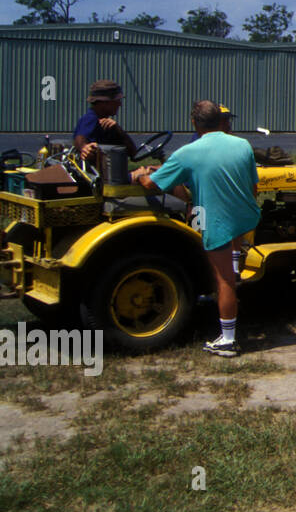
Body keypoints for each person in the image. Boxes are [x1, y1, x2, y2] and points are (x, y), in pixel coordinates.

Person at [139, 100, 261, 357]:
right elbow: (253, 188)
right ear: (221, 120)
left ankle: (228, 340)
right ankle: (235, 264)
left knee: (224, 279)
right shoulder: (243, 145)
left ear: (194, 123)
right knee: (227, 252)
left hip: (214, 220)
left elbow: (151, 185)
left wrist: (140, 174)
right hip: (245, 215)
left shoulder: (187, 153)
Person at [74, 79, 139, 160]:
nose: (120, 104)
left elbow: (133, 153)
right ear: (104, 103)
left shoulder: (109, 126)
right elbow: (80, 137)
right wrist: (84, 147)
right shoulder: (91, 118)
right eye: (117, 100)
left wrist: (118, 130)